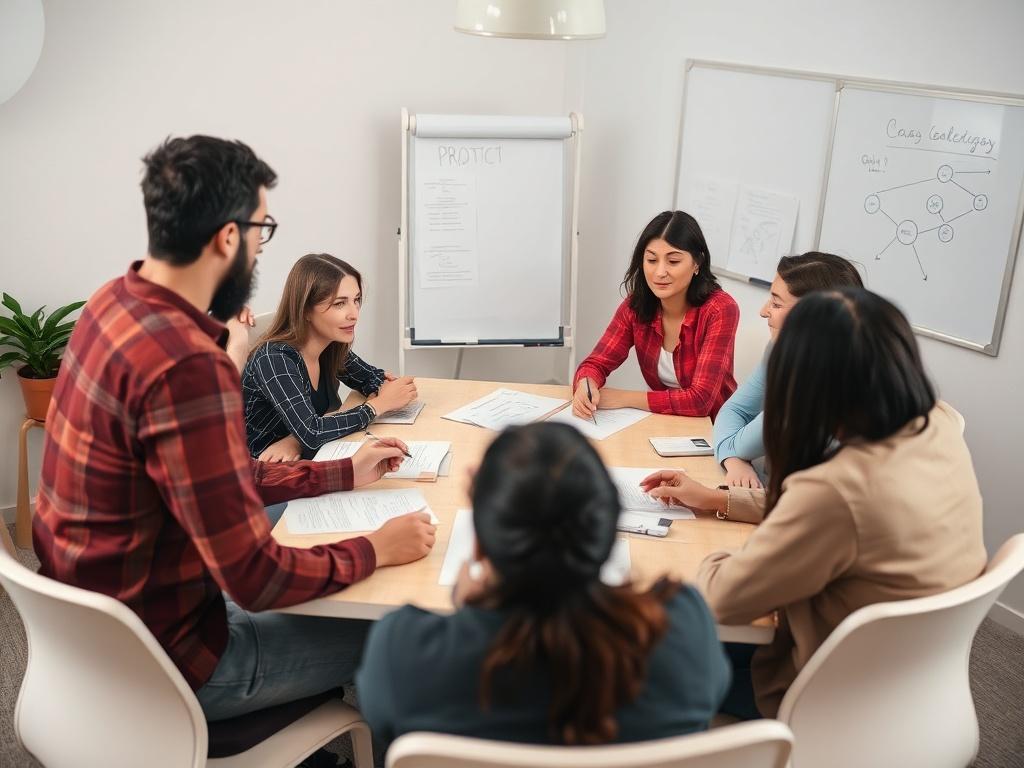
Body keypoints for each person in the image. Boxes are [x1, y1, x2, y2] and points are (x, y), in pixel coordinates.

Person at [33, 135, 437, 723]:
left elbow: (219, 477)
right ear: (228, 239)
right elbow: (256, 580)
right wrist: (375, 549)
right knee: (397, 626)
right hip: (180, 664)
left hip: (99, 638)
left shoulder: (111, 304)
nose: (259, 253)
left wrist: (339, 471)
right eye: (260, 232)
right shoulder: (190, 364)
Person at [641, 288, 985, 719]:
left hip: (821, 696)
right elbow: (841, 516)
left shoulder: (835, 493)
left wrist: (721, 554)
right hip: (910, 693)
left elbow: (722, 597)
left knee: (640, 654)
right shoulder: (936, 425)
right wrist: (719, 499)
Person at [356, 422, 730, 751]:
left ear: (481, 541)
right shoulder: (685, 631)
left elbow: (385, 718)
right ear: (605, 530)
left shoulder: (403, 652)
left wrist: (468, 597)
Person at [242, 254, 417, 461]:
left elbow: (375, 380)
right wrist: (378, 405)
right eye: (340, 304)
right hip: (263, 471)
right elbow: (312, 432)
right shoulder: (274, 358)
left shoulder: (330, 346)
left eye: (356, 300)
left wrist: (296, 439)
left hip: (312, 458)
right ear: (305, 309)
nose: (354, 314)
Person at [713, 252, 864, 488]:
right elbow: (733, 410)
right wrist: (734, 461)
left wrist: (732, 452)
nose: (763, 311)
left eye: (776, 303)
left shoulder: (817, 389)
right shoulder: (780, 349)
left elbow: (740, 445)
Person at [572, 211, 739, 421]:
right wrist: (586, 383)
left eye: (673, 261)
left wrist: (622, 397)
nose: (660, 272)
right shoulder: (636, 306)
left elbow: (701, 400)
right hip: (666, 422)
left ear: (697, 263)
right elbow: (595, 363)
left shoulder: (720, 309)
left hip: (716, 427)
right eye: (651, 260)